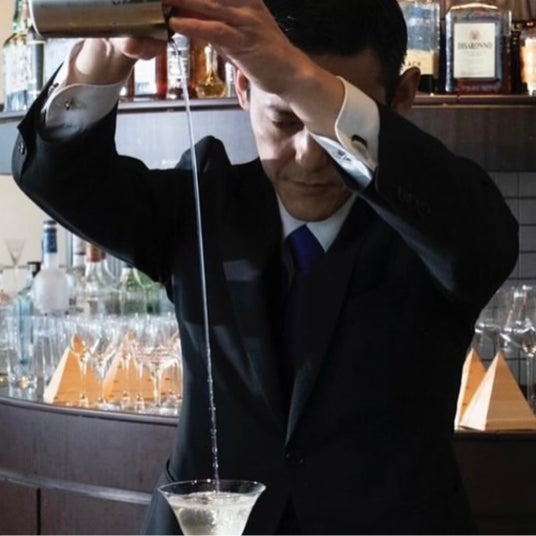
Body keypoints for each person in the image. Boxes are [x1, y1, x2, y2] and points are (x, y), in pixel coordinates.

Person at [12, 0, 518, 533]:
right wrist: (106, 53)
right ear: (243, 88)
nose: (309, 155)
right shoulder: (205, 202)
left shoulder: (437, 222)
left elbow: (485, 247)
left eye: (330, 121)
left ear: (402, 97)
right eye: (284, 118)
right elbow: (56, 176)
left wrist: (298, 79)